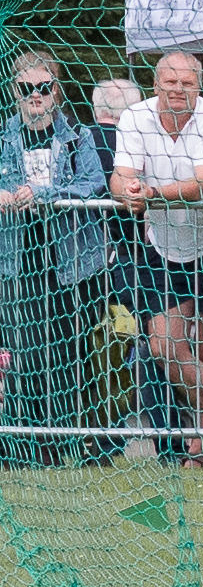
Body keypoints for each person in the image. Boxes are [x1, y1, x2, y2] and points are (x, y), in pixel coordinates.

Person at [112, 52, 203, 465]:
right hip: (162, 244)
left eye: (187, 83)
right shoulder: (134, 116)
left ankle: (202, 449)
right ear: (155, 84)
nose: (178, 90)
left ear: (198, 86)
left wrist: (149, 194)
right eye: (170, 82)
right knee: (164, 343)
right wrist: (126, 191)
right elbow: (121, 174)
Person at [0, 52, 108, 465]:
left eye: (43, 88)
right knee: (23, 353)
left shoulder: (78, 137)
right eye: (27, 89)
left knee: (67, 353)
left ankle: (64, 444)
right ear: (16, 92)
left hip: (72, 263)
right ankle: (20, 447)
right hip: (18, 261)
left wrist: (47, 195)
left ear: (56, 91)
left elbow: (95, 185)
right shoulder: (4, 137)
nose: (36, 97)